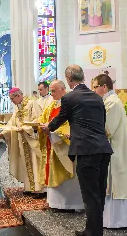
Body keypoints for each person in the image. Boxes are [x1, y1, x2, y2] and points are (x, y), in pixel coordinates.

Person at [41, 65, 113, 236]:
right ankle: (94, 230)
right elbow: (101, 123)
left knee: (89, 195)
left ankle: (93, 233)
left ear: (69, 79)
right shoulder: (97, 97)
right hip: (103, 150)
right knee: (99, 193)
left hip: (86, 151)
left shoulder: (70, 97)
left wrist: (48, 127)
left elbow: (60, 118)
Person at [93, 74, 127, 228]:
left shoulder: (112, 102)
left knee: (114, 184)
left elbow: (107, 129)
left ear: (104, 87)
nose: (94, 90)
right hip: (110, 149)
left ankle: (116, 221)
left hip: (114, 151)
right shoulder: (107, 101)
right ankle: (108, 220)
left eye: (95, 86)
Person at [38, 80, 84, 211]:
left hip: (65, 146)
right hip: (52, 145)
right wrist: (41, 127)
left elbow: (71, 126)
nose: (51, 94)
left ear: (63, 89)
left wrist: (54, 132)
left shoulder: (71, 103)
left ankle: (70, 204)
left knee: (69, 177)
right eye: (51, 91)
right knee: (52, 173)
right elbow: (43, 120)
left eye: (53, 91)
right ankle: (55, 203)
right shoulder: (51, 105)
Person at [1, 88, 44, 198]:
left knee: (35, 163)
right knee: (26, 163)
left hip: (32, 140)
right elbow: (12, 122)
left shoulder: (32, 104)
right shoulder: (18, 108)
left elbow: (38, 120)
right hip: (23, 140)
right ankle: (30, 187)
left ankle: (41, 189)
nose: (12, 101)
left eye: (12, 99)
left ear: (18, 95)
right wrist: (3, 132)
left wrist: (25, 128)